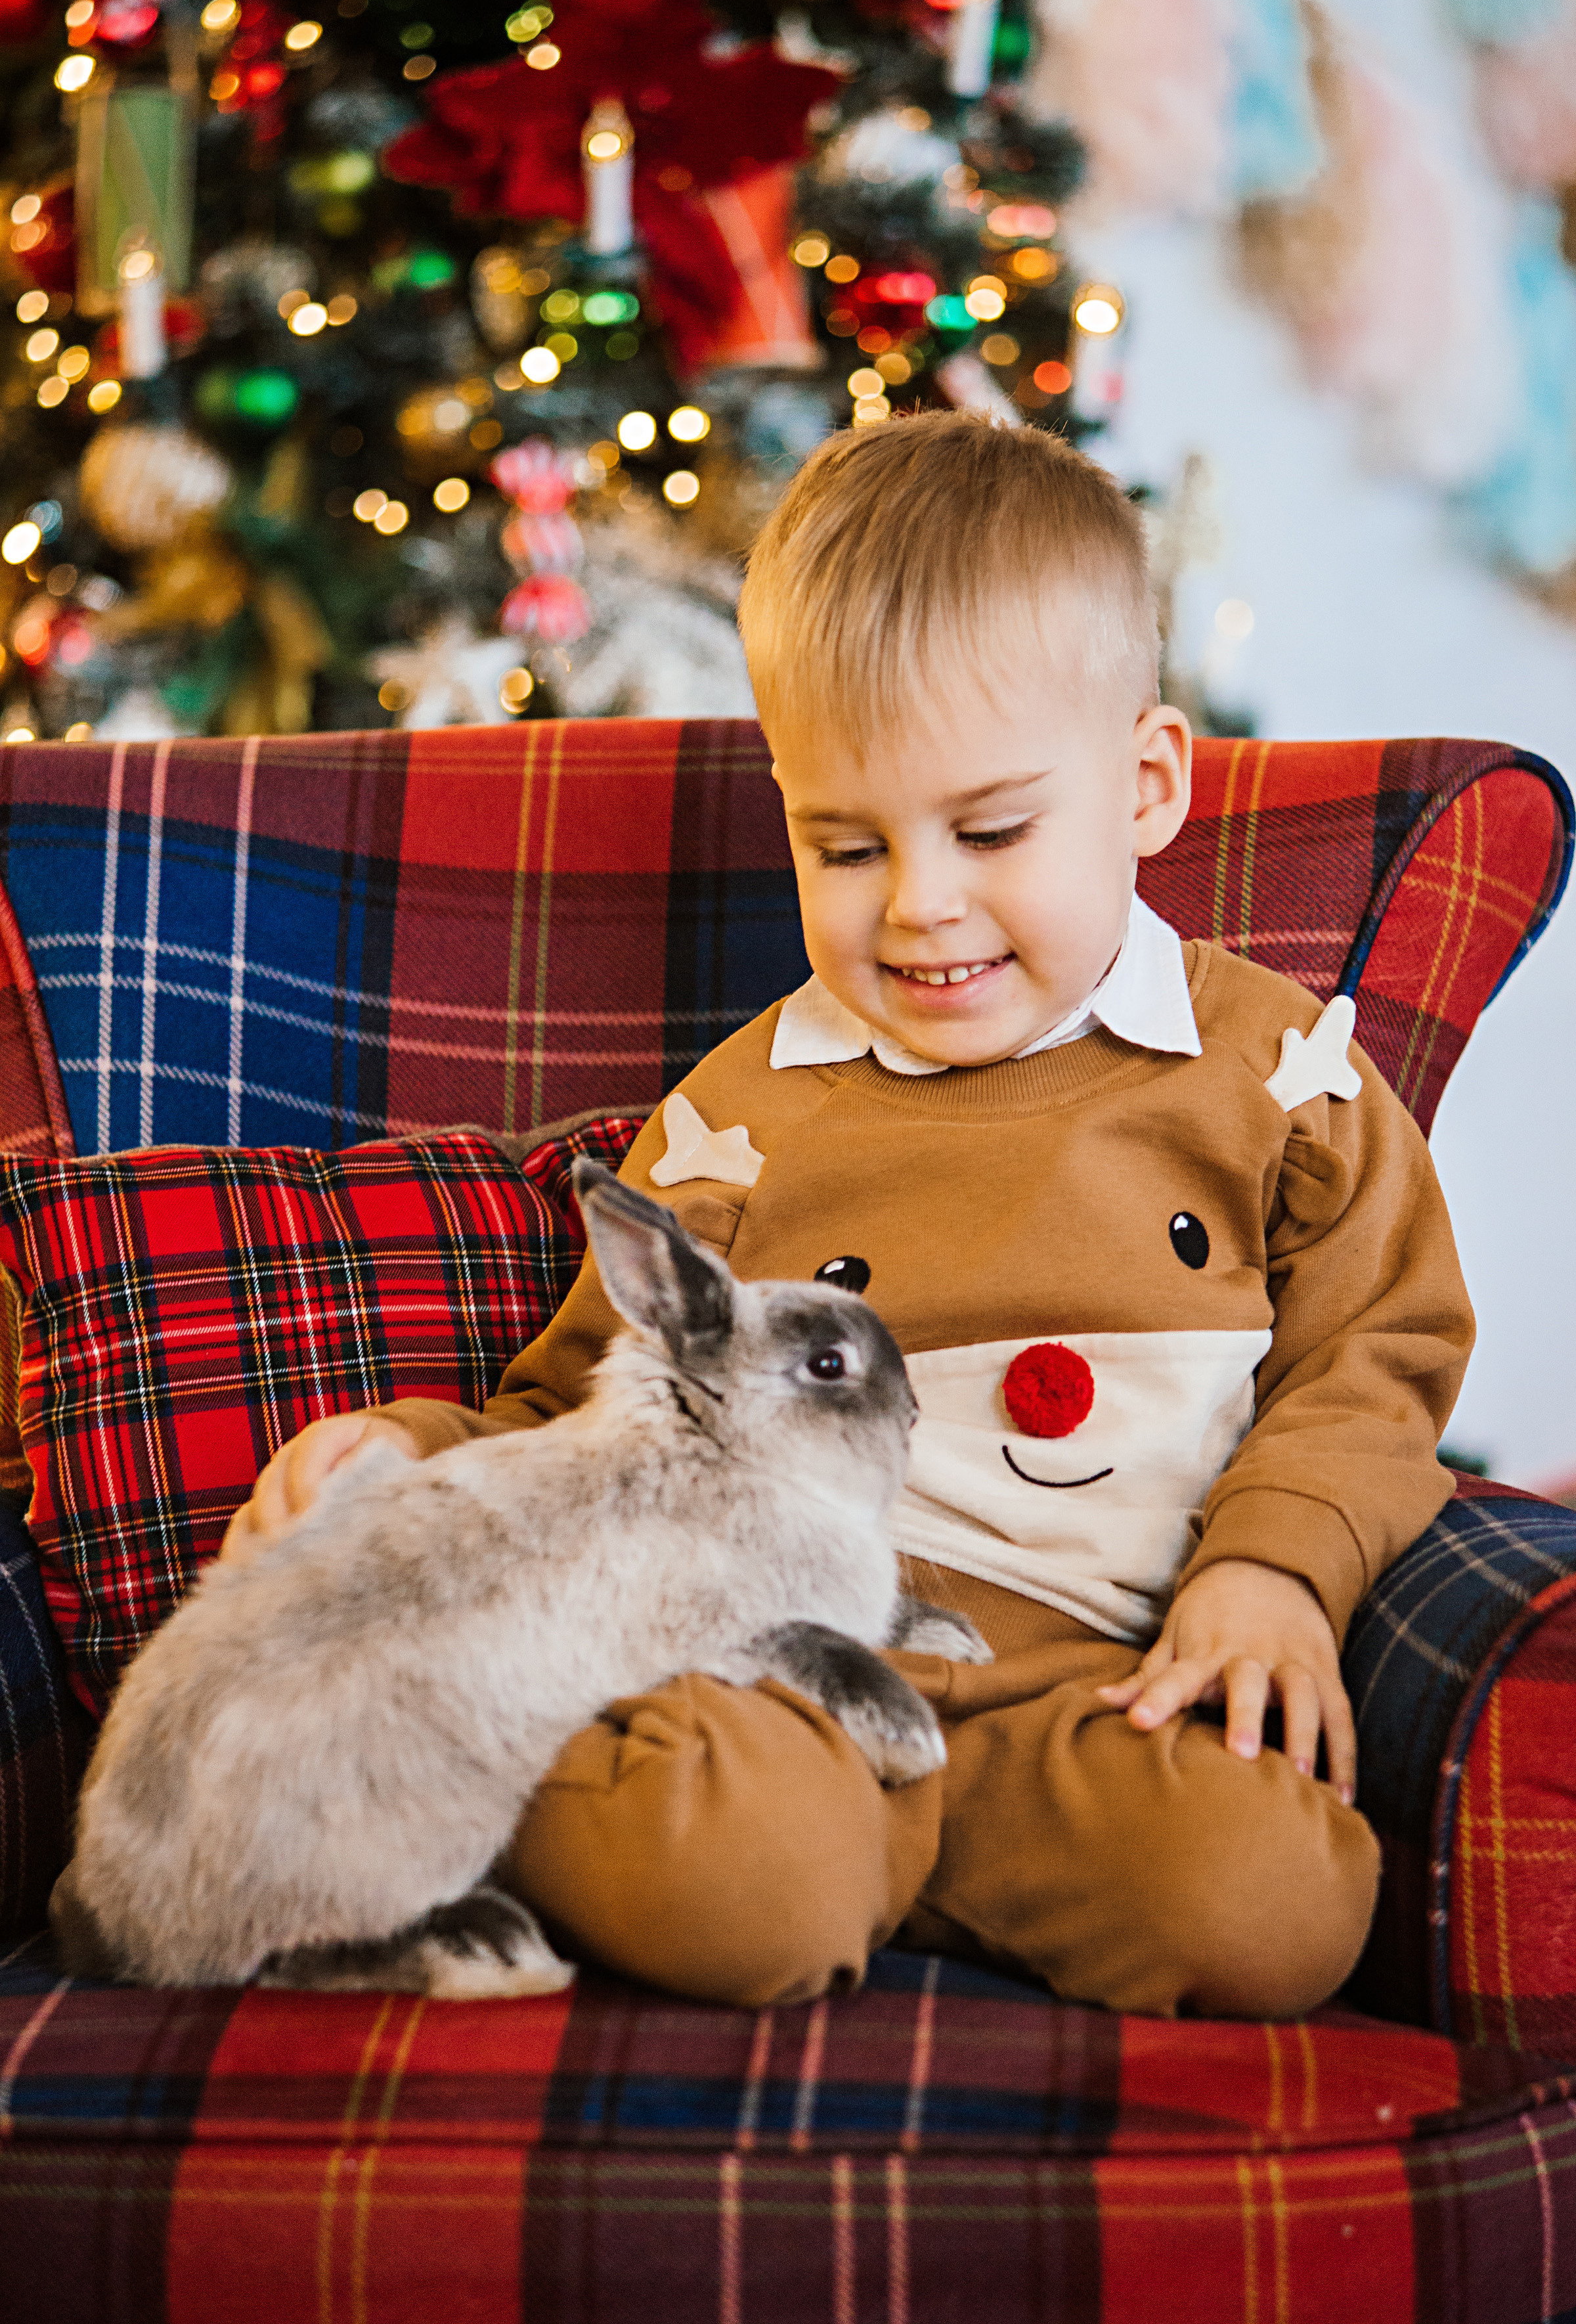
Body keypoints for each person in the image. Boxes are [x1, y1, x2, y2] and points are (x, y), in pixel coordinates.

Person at [226, 413, 1473, 2017]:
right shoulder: (747, 1115)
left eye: (993, 829)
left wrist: (1279, 1574)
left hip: (1090, 1699)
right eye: (848, 843)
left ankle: (923, 1867)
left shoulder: (1277, 1079)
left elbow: (1376, 1359)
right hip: (785, 1672)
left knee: (1280, 1911)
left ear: (1147, 783)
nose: (921, 903)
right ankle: (502, 1769)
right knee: (737, 1884)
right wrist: (412, 1453)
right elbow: (588, 1406)